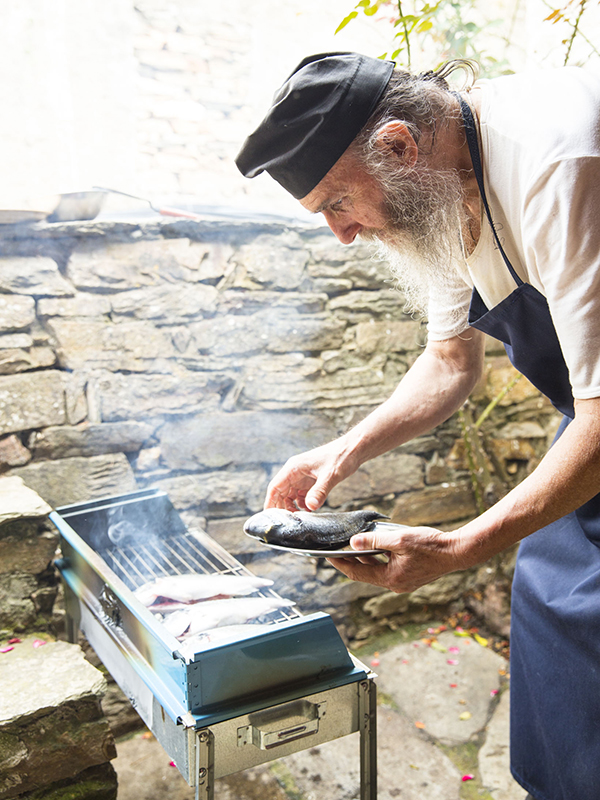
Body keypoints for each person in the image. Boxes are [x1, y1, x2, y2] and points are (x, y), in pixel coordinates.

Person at [235, 52, 600, 800]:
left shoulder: (559, 163)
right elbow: (448, 363)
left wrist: (462, 546)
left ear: (399, 145)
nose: (340, 232)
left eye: (338, 201)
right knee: (548, 595)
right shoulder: (437, 184)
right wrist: (344, 450)